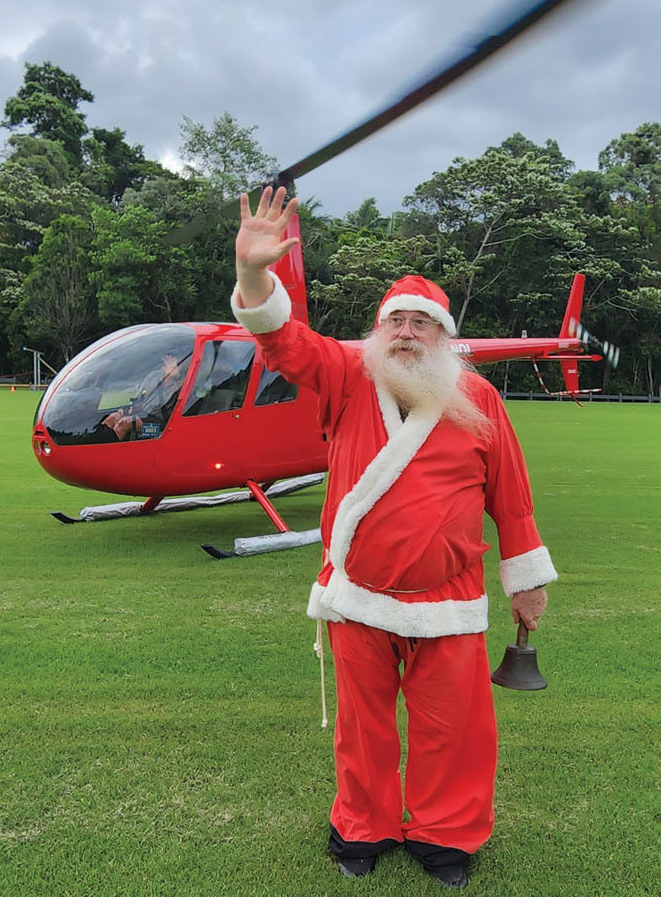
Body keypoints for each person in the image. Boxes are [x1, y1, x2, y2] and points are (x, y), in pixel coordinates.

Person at [230, 187, 556, 889]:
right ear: (380, 332)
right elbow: (284, 342)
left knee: (454, 731)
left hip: (452, 599)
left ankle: (446, 835)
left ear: (444, 336)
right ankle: (362, 826)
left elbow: (513, 496)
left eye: (421, 322)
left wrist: (525, 580)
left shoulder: (480, 400)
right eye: (396, 321)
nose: (407, 331)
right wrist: (256, 275)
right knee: (364, 729)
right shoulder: (347, 377)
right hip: (359, 601)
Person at [102, 353, 184, 440]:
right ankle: (96, 441)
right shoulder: (153, 377)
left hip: (161, 427)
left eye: (173, 362)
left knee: (124, 423)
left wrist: (176, 376)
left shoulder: (183, 383)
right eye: (166, 361)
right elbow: (140, 400)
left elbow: (184, 404)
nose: (168, 364)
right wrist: (126, 410)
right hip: (144, 416)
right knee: (113, 417)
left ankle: (111, 451)